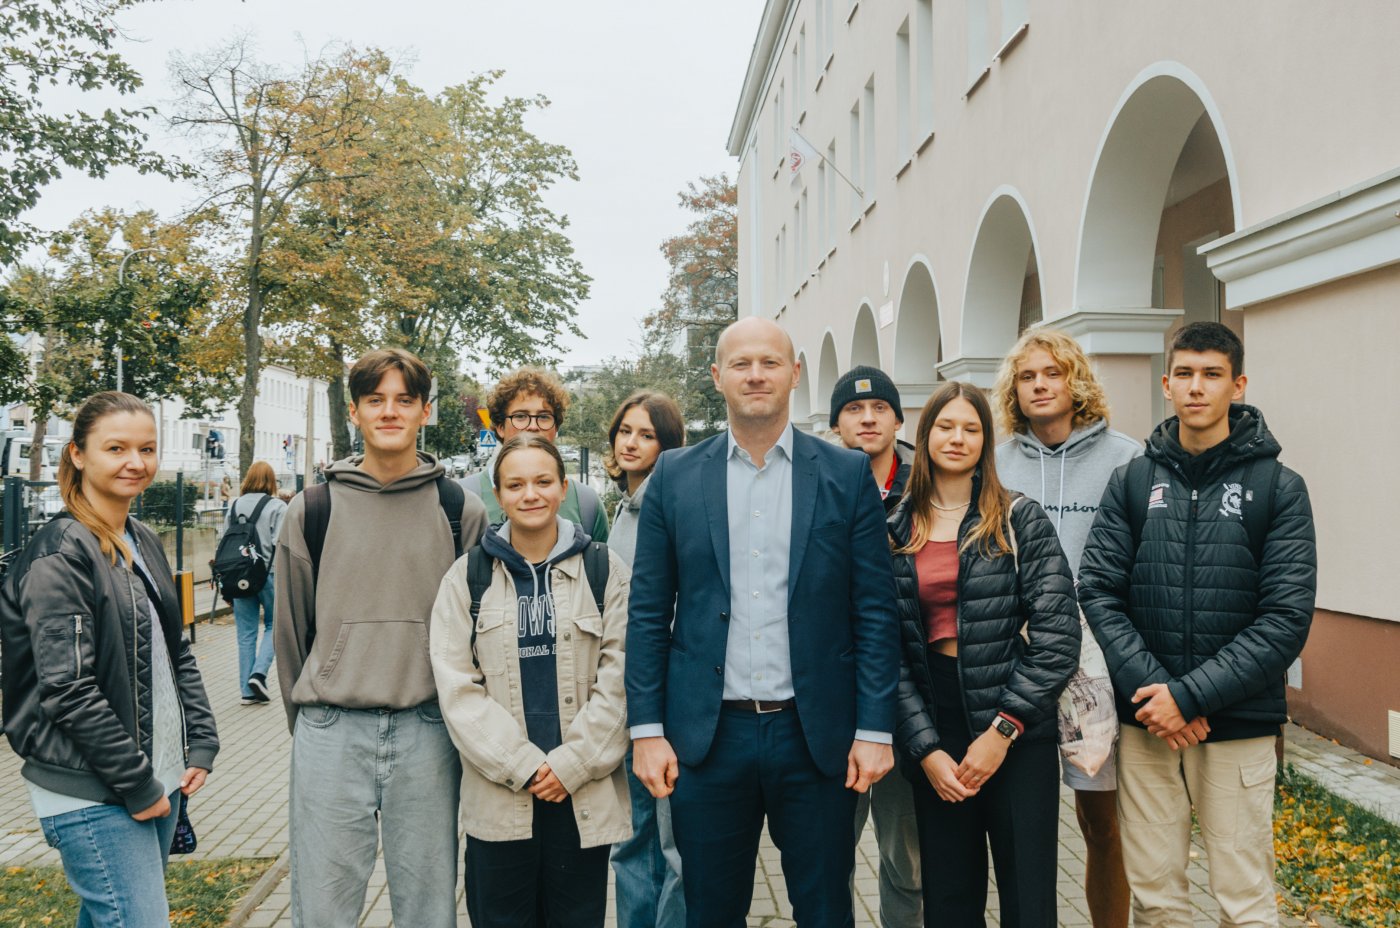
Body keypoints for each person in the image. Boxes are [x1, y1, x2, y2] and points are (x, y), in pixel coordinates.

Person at [627, 317, 900, 928]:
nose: (756, 375)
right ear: (717, 376)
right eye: (742, 364)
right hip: (707, 738)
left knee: (827, 909)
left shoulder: (845, 474)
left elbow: (875, 612)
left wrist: (875, 730)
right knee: (711, 911)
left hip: (816, 736)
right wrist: (646, 729)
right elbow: (647, 613)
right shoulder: (674, 477)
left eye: (770, 363)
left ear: (795, 373)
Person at [1078, 322, 1316, 928]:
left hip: (1236, 724)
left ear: (1237, 385)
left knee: (1244, 897)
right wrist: (1159, 695)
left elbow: (1285, 617)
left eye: (1212, 374)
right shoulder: (1133, 481)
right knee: (1158, 899)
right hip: (1147, 721)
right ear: (1166, 383)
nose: (1196, 387)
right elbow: (1099, 590)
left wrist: (1189, 696)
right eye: (1184, 373)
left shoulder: (1278, 488)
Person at [273, 348, 489, 928]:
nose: (389, 412)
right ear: (356, 411)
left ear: (424, 411)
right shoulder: (311, 509)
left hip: (427, 730)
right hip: (330, 730)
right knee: (323, 907)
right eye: (376, 400)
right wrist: (311, 715)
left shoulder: (458, 509)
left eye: (403, 400)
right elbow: (290, 630)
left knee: (428, 908)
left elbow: (474, 632)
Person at [0, 391, 219, 927]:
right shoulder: (60, 555)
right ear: (77, 454)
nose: (135, 462)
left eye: (147, 449)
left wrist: (201, 736)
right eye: (116, 447)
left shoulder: (140, 538)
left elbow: (175, 648)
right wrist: (137, 782)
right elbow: (67, 689)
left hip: (154, 776)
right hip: (93, 788)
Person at [887, 381, 1078, 928]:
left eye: (971, 428)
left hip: (1015, 723)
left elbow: (1058, 638)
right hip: (937, 723)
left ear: (985, 442)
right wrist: (924, 749)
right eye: (945, 426)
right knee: (948, 898)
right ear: (924, 438)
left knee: (1029, 896)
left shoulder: (1019, 519)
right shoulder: (895, 528)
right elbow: (886, 651)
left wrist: (1003, 730)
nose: (958, 437)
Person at [431, 434, 631, 928]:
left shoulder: (604, 571)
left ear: (564, 488)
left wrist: (571, 764)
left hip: (579, 795)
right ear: (498, 495)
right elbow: (456, 687)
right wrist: (522, 765)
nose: (531, 494)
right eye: (515, 484)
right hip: (501, 799)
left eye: (543, 481)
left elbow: (624, 677)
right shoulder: (467, 577)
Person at [991, 329, 1139, 928]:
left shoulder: (1125, 458)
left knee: (1099, 823)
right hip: (1012, 660)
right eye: (1027, 377)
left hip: (1094, 668)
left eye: (1051, 373)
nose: (1040, 385)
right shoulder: (995, 461)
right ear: (1015, 390)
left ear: (1074, 381)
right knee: (1009, 820)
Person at [829, 365, 922, 928]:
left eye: (879, 408)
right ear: (837, 422)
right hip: (835, 696)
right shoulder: (816, 480)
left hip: (911, 695)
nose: (867, 418)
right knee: (829, 855)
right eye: (854, 410)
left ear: (897, 418)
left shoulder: (929, 481)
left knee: (907, 857)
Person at [602, 391, 688, 928]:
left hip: (667, 693)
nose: (631, 442)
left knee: (673, 840)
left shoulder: (670, 503)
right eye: (625, 431)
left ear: (667, 444)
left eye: (647, 434)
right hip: (623, 692)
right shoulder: (621, 506)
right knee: (633, 836)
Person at [463, 367, 609, 541]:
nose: (533, 426)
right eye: (521, 416)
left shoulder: (586, 504)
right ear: (500, 427)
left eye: (544, 417)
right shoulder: (464, 497)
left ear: (556, 428)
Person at [224, 460, 287, 706]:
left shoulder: (234, 506)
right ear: (271, 481)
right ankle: (259, 674)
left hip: (239, 576)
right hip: (269, 575)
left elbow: (226, 542)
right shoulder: (277, 506)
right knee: (275, 625)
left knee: (245, 633)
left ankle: (247, 692)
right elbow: (281, 544)